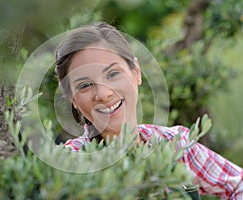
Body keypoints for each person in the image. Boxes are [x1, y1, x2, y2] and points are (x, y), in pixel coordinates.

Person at [54, 22, 243, 199]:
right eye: (85, 84)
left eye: (112, 74)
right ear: (72, 98)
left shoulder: (176, 145)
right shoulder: (70, 163)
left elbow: (238, 184)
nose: (103, 94)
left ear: (136, 72)